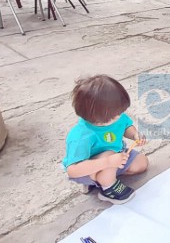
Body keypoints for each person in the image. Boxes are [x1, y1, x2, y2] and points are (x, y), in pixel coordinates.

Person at [63, 75, 149, 204]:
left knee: (141, 163)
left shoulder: (115, 116)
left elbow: (126, 126)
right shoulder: (81, 136)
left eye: (119, 112)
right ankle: (107, 189)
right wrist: (108, 162)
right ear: (95, 116)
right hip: (88, 168)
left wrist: (135, 135)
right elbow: (73, 170)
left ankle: (101, 179)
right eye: (114, 115)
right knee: (109, 155)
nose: (119, 116)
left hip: (116, 156)